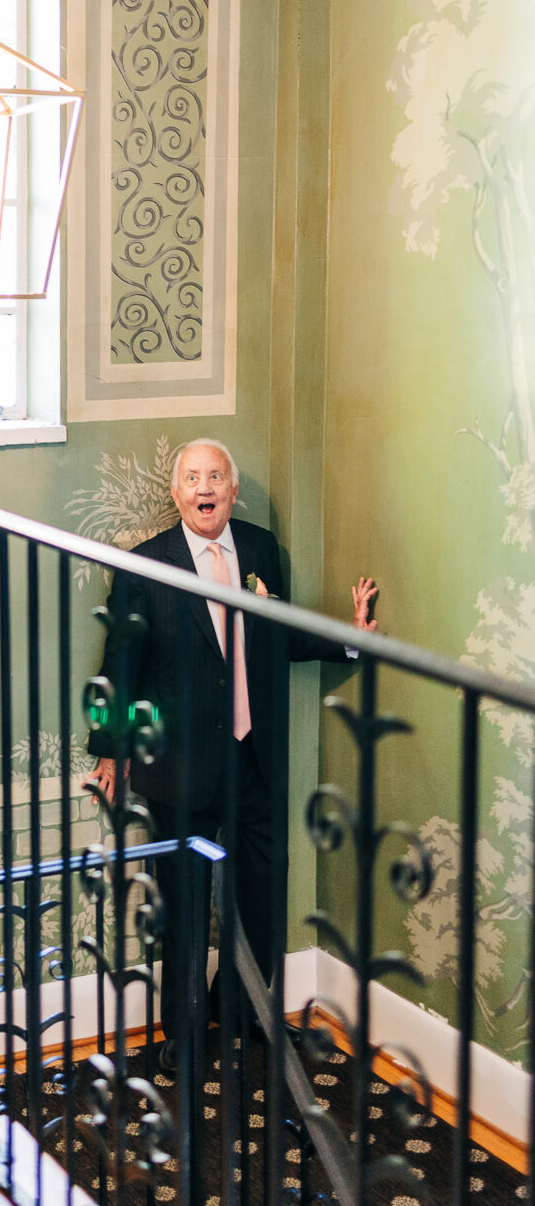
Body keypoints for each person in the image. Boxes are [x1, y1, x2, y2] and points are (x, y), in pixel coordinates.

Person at [86, 438, 377, 1063]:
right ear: (176, 493)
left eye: (215, 476)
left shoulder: (261, 550)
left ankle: (243, 1013)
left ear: (233, 490)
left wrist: (348, 639)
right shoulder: (143, 567)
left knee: (262, 896)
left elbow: (277, 635)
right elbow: (119, 666)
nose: (205, 487)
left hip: (254, 758)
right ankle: (185, 1034)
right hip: (179, 767)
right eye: (193, 477)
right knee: (185, 907)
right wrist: (111, 750)